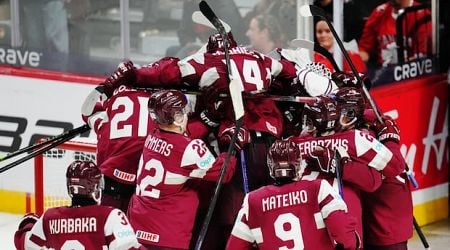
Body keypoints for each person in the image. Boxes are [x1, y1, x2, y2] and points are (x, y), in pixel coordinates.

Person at [127, 89, 238, 249]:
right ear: (177, 117)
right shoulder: (189, 149)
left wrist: (207, 120)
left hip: (138, 230)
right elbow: (224, 173)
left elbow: (181, 140)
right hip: (167, 235)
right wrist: (230, 147)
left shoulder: (152, 136)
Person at [289, 93, 406, 243]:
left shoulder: (291, 144)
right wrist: (390, 138)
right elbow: (395, 166)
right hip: (343, 225)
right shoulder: (353, 139)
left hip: (305, 228)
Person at [226, 139, 360, 249]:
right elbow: (345, 237)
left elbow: (234, 247)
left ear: (270, 166)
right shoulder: (319, 188)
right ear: (298, 165)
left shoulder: (252, 200)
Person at [21, 160, 140, 249]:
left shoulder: (49, 217)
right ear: (96, 187)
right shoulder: (110, 216)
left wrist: (28, 224)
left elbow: (25, 244)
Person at [358, 0, 432, 66]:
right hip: (382, 76)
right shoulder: (379, 13)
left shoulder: (422, 15)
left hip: (411, 75)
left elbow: (421, 58)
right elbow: (364, 50)